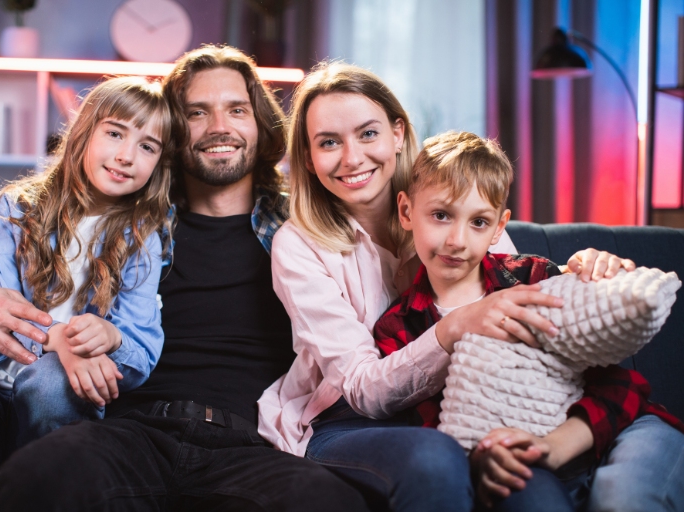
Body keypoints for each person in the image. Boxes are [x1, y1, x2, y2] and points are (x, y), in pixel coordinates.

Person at [0, 46, 371, 512]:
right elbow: (39, 238)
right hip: (131, 433)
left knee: (330, 502)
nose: (219, 127)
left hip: (252, 444)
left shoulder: (305, 225)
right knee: (36, 477)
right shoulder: (129, 220)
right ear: (171, 133)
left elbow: (388, 243)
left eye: (237, 109)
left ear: (260, 123)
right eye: (197, 112)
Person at [257, 62, 634, 511]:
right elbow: (361, 390)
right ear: (307, 156)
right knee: (438, 457)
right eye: (329, 143)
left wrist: (587, 272)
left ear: (398, 133)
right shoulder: (298, 244)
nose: (352, 157)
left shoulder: (451, 203)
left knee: (524, 482)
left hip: (464, 405)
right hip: (345, 419)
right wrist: (455, 327)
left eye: (368, 133)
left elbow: (514, 285)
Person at [372, 130, 684, 511]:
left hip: (621, 429)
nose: (456, 239)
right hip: (529, 457)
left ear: (500, 227)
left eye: (479, 222)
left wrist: (556, 445)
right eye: (441, 215)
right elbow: (439, 430)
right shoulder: (400, 328)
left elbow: (623, 385)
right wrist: (483, 458)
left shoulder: (535, 279)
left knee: (622, 497)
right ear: (406, 212)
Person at [0, 76, 170, 512]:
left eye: (148, 146)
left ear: (159, 162)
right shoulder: (13, 208)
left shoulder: (144, 236)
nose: (127, 155)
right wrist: (59, 340)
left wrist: (111, 338)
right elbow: (1, 314)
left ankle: (31, 494)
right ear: (84, 133)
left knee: (51, 380)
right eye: (115, 133)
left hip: (54, 409)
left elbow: (141, 346)